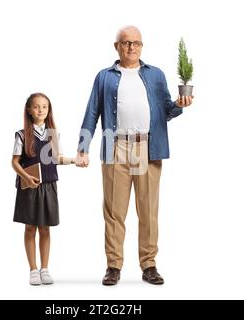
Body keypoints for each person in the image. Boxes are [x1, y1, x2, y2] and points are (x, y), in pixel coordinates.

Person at [76, 26, 194, 285]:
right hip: (114, 146)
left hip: (148, 147)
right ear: (116, 46)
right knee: (114, 211)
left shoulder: (156, 75)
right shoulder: (104, 77)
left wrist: (178, 106)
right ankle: (114, 266)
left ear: (142, 46)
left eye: (136, 43)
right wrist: (82, 147)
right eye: (126, 43)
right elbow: (91, 111)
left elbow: (166, 110)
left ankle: (149, 264)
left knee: (148, 210)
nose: (131, 47)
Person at [12, 92, 75, 285]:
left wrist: (74, 160)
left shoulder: (53, 134)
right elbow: (14, 163)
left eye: (44, 107)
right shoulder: (22, 135)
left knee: (45, 228)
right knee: (30, 228)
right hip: (29, 187)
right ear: (29, 110)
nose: (41, 110)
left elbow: (56, 159)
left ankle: (45, 268)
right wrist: (26, 177)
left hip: (48, 186)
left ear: (49, 110)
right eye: (37, 106)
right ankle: (33, 269)